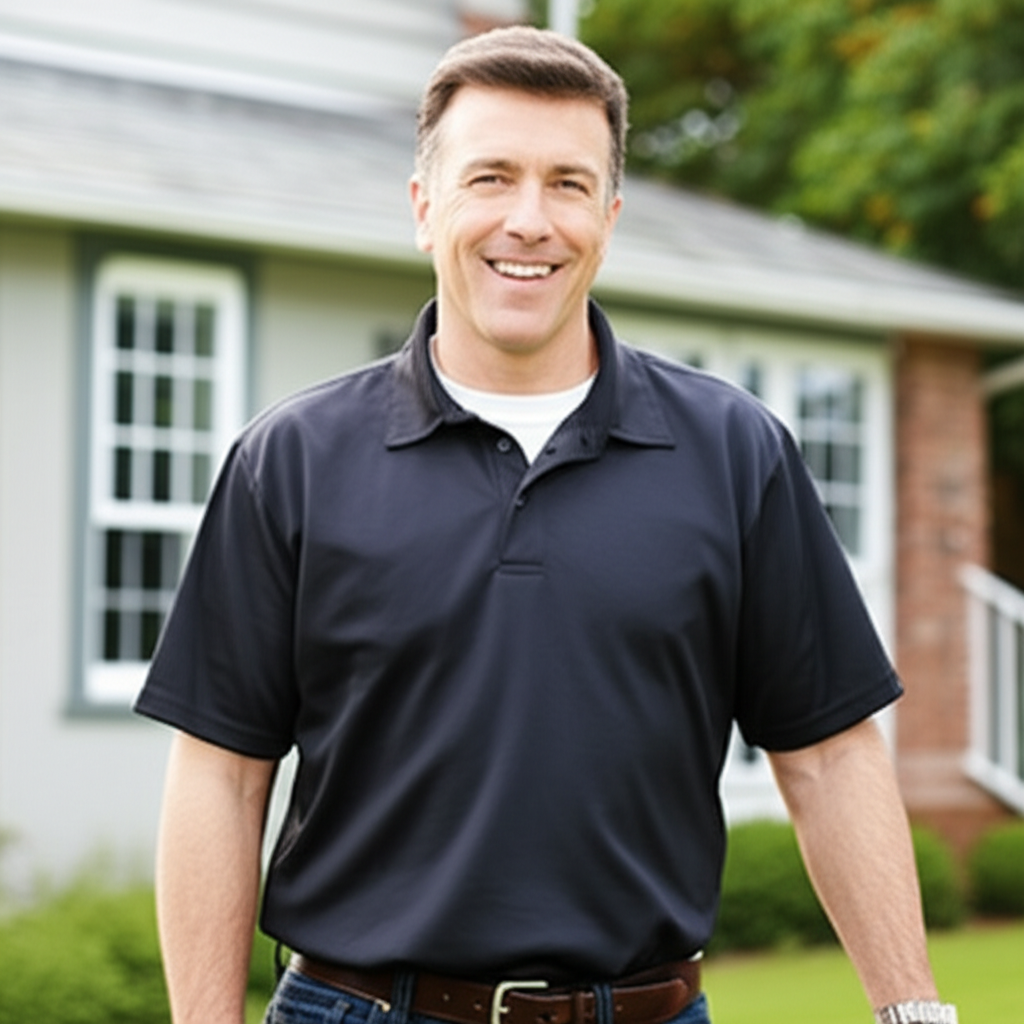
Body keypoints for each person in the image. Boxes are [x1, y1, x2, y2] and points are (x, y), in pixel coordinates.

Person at [135, 25, 958, 1024]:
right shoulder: (293, 459)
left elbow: (829, 756)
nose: (529, 221)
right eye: (491, 178)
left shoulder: (736, 453)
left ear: (608, 218)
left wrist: (914, 1012)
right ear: (424, 207)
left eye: (568, 184)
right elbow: (222, 775)